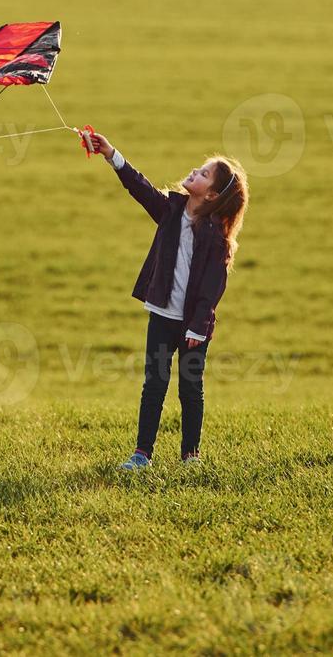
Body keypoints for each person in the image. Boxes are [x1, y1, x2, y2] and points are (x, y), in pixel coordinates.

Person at [83, 130, 248, 471]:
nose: (195, 172)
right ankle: (142, 453)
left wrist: (199, 327)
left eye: (204, 174)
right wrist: (112, 154)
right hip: (161, 316)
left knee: (190, 391)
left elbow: (211, 290)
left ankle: (190, 455)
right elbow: (140, 188)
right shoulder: (171, 209)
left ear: (212, 195)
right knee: (154, 385)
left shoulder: (216, 238)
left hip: (193, 328)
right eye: (199, 168)